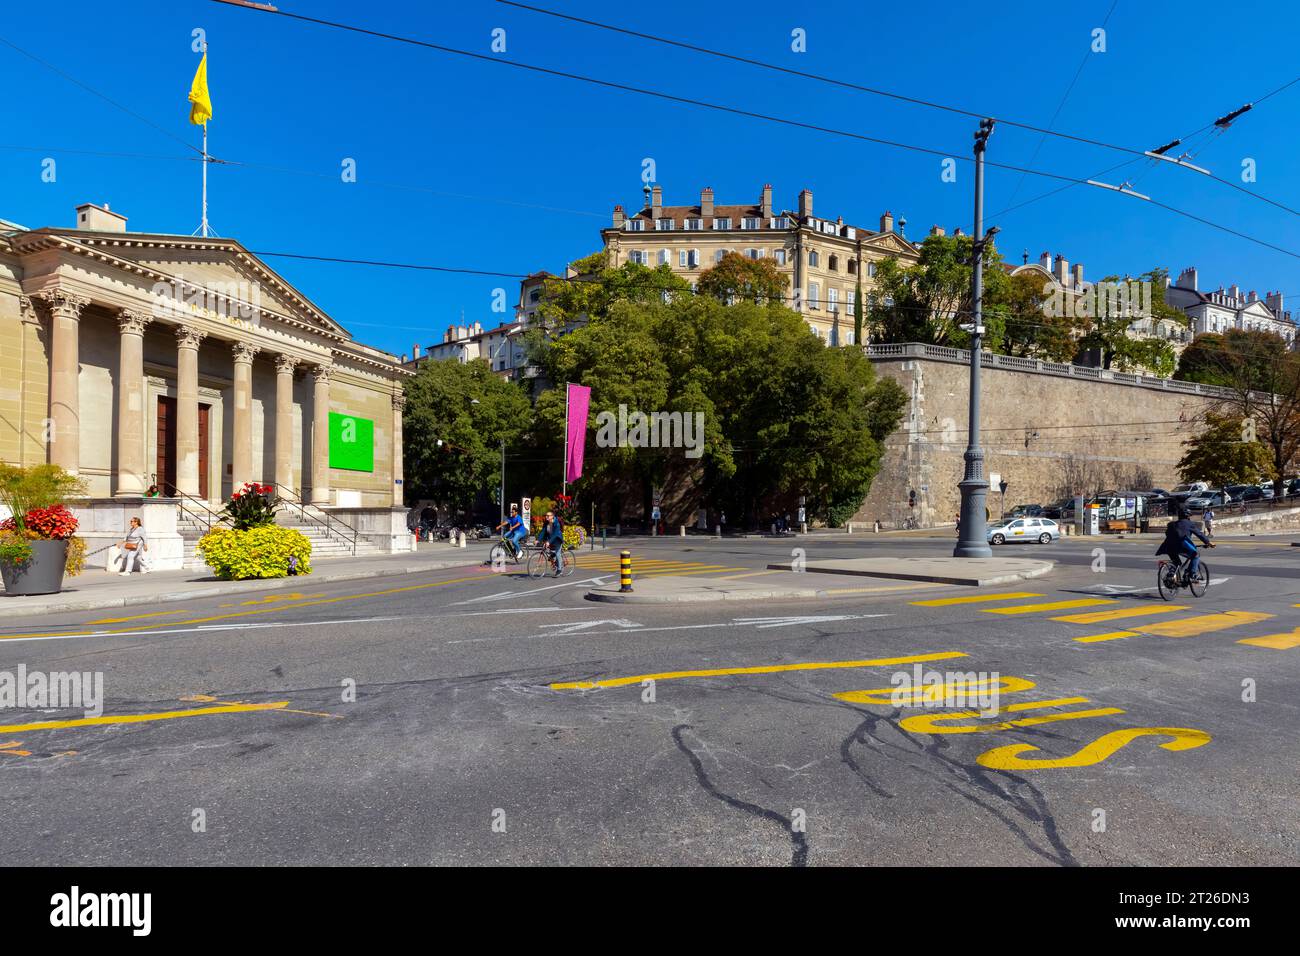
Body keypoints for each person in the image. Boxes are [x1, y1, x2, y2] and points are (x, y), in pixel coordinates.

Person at [1155, 507, 1214, 582]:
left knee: (1177, 563)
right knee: (1195, 555)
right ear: (1187, 516)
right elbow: (1199, 534)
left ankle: (1172, 576)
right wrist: (1208, 542)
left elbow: (1167, 533)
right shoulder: (1189, 524)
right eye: (1189, 516)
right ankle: (1192, 574)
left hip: (1169, 546)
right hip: (1182, 545)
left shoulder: (1173, 524)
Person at [539, 509, 564, 575]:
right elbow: (543, 531)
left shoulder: (556, 523)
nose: (546, 517)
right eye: (546, 515)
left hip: (557, 539)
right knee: (550, 554)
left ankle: (559, 570)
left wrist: (549, 542)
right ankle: (554, 559)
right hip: (550, 539)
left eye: (548, 515)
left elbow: (555, 534)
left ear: (552, 516)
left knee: (558, 553)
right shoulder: (546, 523)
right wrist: (538, 540)